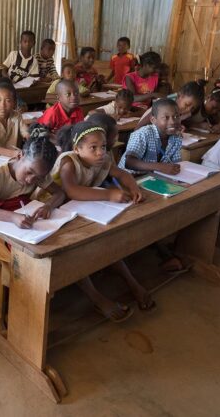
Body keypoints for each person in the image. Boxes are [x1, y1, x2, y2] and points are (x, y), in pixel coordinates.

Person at [52, 120, 151, 320]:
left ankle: (131, 282)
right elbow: (71, 190)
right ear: (77, 149)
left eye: (103, 147)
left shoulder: (103, 161)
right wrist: (108, 195)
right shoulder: (69, 162)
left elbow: (122, 174)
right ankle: (96, 298)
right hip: (55, 211)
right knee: (77, 250)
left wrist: (134, 188)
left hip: (85, 210)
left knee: (108, 240)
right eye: (93, 148)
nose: (100, 152)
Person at [0, 136, 65, 266]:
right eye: (29, 172)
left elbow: (59, 193)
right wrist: (13, 217)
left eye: (38, 178)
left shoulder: (39, 173)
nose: (31, 180)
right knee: (21, 257)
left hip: (21, 220)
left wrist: (48, 206)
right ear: (20, 156)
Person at [120, 98, 182, 175]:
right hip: (128, 177)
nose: (172, 122)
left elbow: (175, 163)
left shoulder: (177, 138)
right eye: (166, 117)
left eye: (176, 116)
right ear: (153, 120)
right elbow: (129, 162)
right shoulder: (143, 133)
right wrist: (160, 167)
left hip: (151, 177)